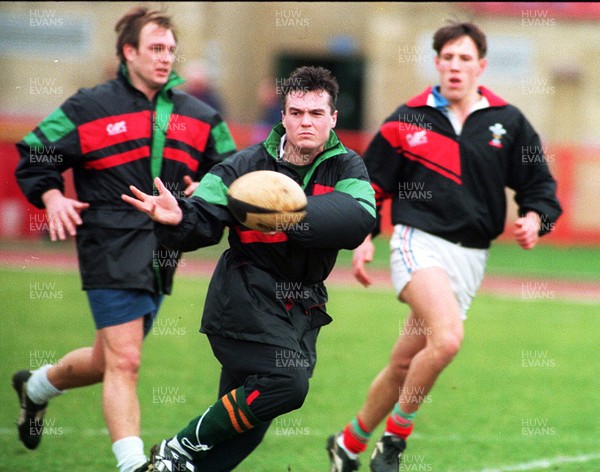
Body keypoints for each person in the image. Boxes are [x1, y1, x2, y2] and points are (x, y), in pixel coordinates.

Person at [326, 21, 562, 472]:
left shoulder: (507, 122)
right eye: (448, 58)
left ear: (481, 66)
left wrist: (535, 219)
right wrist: (363, 238)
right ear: (437, 64)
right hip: (418, 243)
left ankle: (349, 443)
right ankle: (394, 440)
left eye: (464, 59)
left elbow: (540, 187)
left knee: (404, 365)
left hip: (471, 257)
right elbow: (369, 185)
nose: (455, 66)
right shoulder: (406, 119)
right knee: (448, 340)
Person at [12, 6, 236, 472]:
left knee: (106, 359)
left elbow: (232, 170)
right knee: (127, 361)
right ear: (128, 52)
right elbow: (35, 151)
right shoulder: (88, 106)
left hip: (164, 252)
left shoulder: (201, 114)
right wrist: (52, 196)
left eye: (171, 50)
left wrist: (207, 186)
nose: (165, 58)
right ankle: (135, 466)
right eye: (155, 49)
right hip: (108, 246)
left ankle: (35, 387)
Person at [121, 65, 376, 472]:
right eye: (296, 112)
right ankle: (179, 446)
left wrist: (287, 212)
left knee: (246, 428)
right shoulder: (245, 164)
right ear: (283, 116)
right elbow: (202, 214)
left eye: (315, 114)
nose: (305, 122)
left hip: (301, 306)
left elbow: (359, 217)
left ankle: (174, 467)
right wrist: (177, 218)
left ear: (333, 118)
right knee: (287, 385)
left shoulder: (348, 167)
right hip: (244, 296)